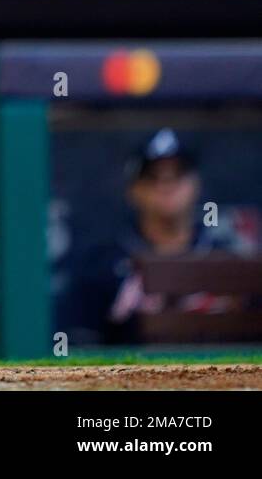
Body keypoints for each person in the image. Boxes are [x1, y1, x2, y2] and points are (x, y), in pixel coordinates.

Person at [79, 129, 256, 344]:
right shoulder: (106, 262)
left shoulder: (225, 257)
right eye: (153, 177)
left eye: (178, 175)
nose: (166, 186)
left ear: (195, 184)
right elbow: (83, 343)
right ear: (134, 190)